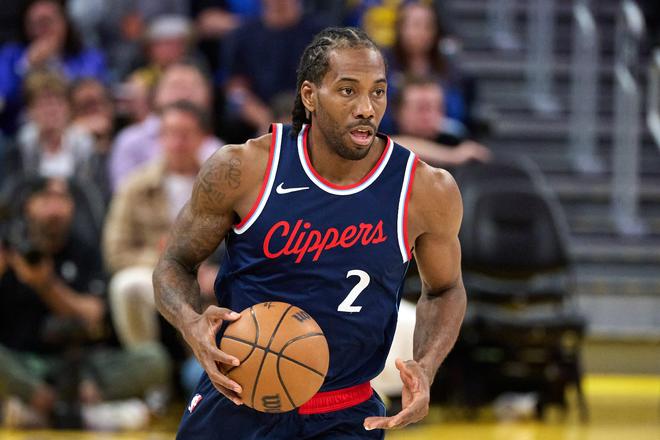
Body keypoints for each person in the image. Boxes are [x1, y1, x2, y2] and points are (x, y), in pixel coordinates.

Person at [154, 26, 467, 438]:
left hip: (345, 411)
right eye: (348, 90)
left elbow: (445, 290)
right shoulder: (244, 169)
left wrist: (426, 366)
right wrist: (191, 323)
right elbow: (174, 264)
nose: (366, 108)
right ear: (309, 96)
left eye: (378, 91)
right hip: (237, 396)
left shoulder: (425, 189)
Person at [0, 176, 170, 429]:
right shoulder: (9, 250)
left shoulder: (84, 248)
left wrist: (46, 285)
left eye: (62, 199)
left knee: (154, 359)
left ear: (72, 206)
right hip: (25, 363)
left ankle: (40, 413)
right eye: (46, 199)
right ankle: (75, 411)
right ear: (28, 206)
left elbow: (94, 316)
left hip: (81, 365)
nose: (55, 208)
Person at [109, 62, 222, 191]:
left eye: (191, 87)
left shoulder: (217, 150)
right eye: (175, 86)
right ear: (156, 94)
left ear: (208, 96)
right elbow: (122, 193)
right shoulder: (130, 141)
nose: (182, 95)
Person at [0, 0, 107, 134]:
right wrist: (26, 66)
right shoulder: (11, 56)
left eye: (47, 22)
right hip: (19, 133)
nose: (41, 30)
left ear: (64, 23)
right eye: (34, 24)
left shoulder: (88, 57)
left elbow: (92, 94)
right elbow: (3, 101)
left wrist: (59, 68)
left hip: (76, 130)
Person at [393, 76, 491, 167]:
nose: (428, 116)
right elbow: (395, 146)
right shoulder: (387, 132)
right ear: (398, 111)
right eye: (421, 108)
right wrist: (452, 156)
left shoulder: (454, 139)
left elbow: (480, 154)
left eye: (435, 107)